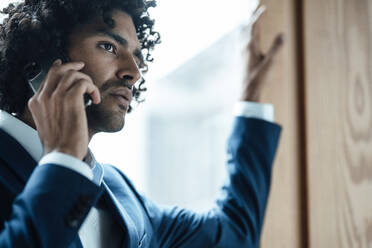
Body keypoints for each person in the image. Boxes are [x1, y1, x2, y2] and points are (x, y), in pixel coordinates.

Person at [0, 0, 283, 247]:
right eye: (108, 46)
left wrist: (251, 102)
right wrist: (63, 163)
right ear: (41, 61)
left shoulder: (121, 194)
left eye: (137, 57)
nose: (134, 73)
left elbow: (237, 236)